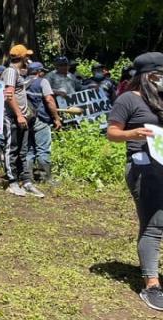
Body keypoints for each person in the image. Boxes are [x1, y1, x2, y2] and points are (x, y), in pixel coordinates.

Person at [106, 52, 163, 311]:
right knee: (153, 223)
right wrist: (133, 132)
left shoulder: (160, 100)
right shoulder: (129, 99)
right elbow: (112, 133)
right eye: (158, 74)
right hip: (143, 167)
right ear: (146, 75)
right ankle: (152, 284)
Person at [1, 44, 44, 198]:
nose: (29, 59)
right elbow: (9, 95)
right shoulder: (11, 71)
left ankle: (25, 181)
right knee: (11, 149)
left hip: (23, 117)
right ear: (23, 57)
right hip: (12, 117)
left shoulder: (19, 72)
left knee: (23, 151)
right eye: (27, 56)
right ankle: (12, 182)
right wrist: (19, 114)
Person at [25, 62, 62, 186]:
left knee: (29, 149)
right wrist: (56, 118)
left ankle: (28, 177)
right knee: (43, 149)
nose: (44, 73)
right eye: (42, 71)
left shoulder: (23, 82)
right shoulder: (42, 81)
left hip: (25, 120)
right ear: (39, 72)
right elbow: (49, 100)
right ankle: (45, 178)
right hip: (40, 119)